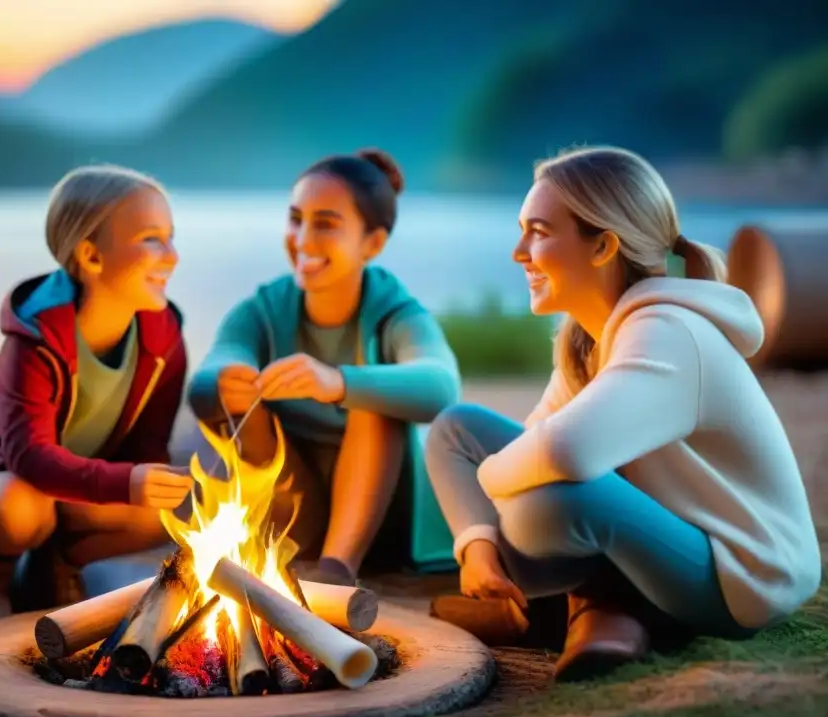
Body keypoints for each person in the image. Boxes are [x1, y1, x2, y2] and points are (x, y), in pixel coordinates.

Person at [424, 146, 822, 681]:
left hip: (738, 577)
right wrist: (479, 546)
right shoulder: (586, 342)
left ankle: (590, 611)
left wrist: (493, 478)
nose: (520, 251)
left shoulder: (668, 333)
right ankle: (553, 601)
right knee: (455, 430)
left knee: (541, 507)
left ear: (603, 245)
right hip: (658, 540)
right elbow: (537, 440)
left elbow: (564, 450)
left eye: (539, 231)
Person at [0, 165, 194, 623]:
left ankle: (62, 561)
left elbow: (148, 448)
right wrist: (125, 482)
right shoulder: (35, 336)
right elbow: (29, 457)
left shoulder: (164, 338)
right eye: (152, 238)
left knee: (169, 512)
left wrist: (154, 483)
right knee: (18, 509)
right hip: (8, 480)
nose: (172, 256)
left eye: (171, 237)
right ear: (90, 256)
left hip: (76, 492)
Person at [187, 149, 460, 586]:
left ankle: (337, 571)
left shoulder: (396, 312)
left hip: (380, 521)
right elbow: (207, 377)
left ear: (373, 243)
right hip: (294, 514)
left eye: (326, 224)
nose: (303, 239)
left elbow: (442, 386)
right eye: (296, 218)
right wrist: (227, 379)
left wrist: (337, 382)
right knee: (241, 405)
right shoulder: (264, 308)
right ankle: (283, 555)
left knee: (373, 402)